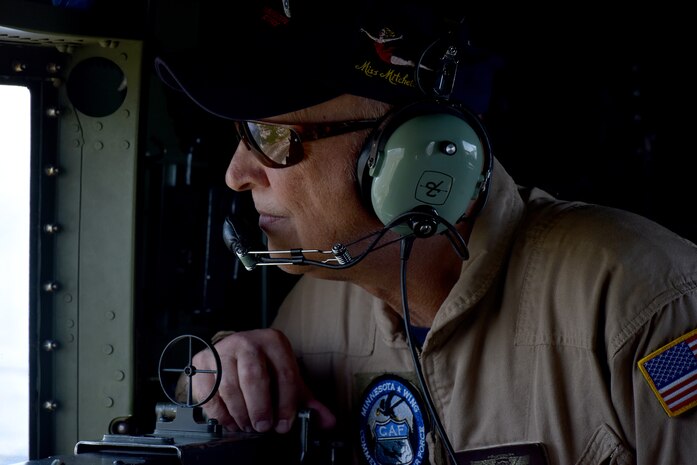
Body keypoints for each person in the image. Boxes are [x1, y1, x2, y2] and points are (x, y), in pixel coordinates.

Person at [155, 1, 697, 464]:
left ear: (410, 156)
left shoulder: (645, 305)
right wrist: (217, 380)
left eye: (268, 136)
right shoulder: (310, 317)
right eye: (239, 134)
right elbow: (212, 400)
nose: (236, 174)